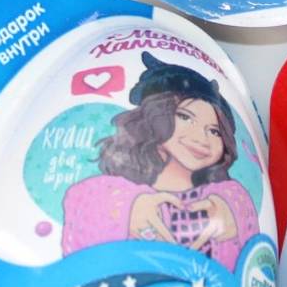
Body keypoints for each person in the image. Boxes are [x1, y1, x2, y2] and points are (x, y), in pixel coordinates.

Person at [61, 54, 260, 270]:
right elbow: (82, 206)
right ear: (156, 115)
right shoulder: (113, 192)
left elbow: (252, 252)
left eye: (214, 131)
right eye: (185, 117)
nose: (202, 138)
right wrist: (126, 210)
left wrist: (234, 214)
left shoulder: (226, 197)